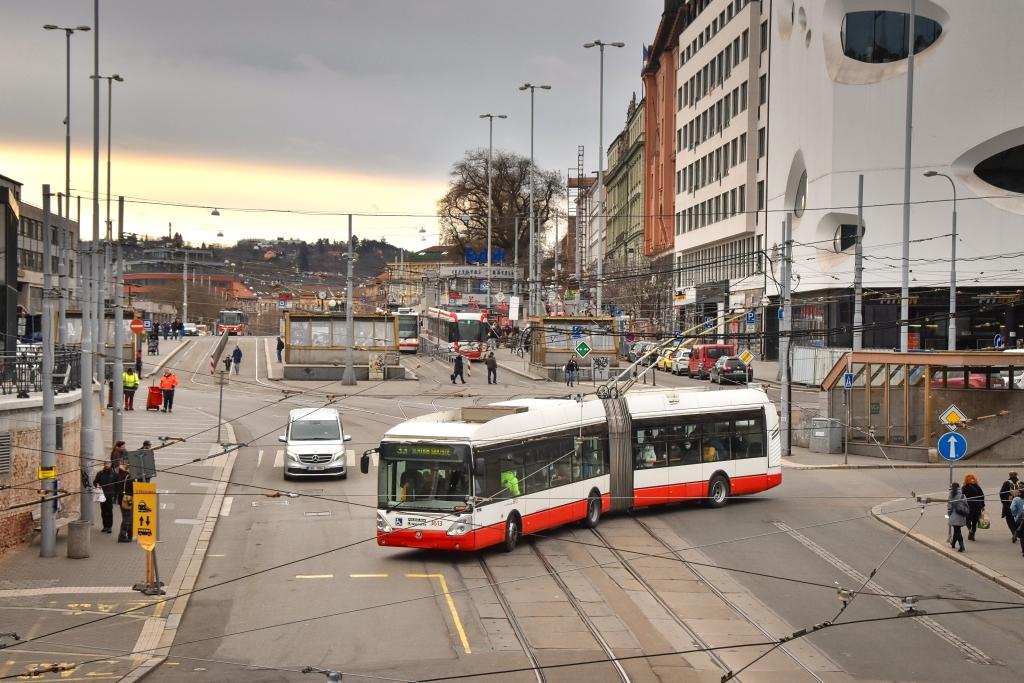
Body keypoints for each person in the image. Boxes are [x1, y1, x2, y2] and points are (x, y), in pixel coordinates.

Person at [92, 461, 119, 534]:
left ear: (110, 465)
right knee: (103, 511)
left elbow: (117, 486)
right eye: (106, 463)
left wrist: (116, 496)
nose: (107, 465)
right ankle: (105, 526)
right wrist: (97, 484)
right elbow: (95, 482)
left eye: (108, 464)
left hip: (110, 495)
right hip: (102, 495)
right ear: (104, 464)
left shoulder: (114, 474)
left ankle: (109, 527)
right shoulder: (100, 473)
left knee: (109, 511)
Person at [114, 462, 135, 543]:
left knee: (127, 518)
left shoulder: (121, 475)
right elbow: (134, 489)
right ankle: (122, 536)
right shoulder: (129, 478)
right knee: (127, 519)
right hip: (127, 500)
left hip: (122, 499)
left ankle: (129, 535)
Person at [962, 473, 985, 541]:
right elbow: (982, 496)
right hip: (977, 506)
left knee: (967, 520)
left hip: (968, 506)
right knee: (975, 522)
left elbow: (961, 496)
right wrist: (983, 505)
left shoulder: (964, 487)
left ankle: (970, 530)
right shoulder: (977, 487)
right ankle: (973, 535)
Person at [947, 482, 969, 552]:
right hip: (962, 515)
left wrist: (949, 514)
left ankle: (962, 546)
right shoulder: (963, 495)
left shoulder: (951, 495)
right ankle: (953, 544)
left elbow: (949, 506)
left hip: (954, 515)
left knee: (957, 531)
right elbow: (966, 505)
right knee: (957, 530)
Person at [999, 471, 1021, 541]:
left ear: (1009, 476)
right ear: (1016, 475)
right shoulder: (1020, 483)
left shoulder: (1006, 483)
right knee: (1019, 519)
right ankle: (1017, 531)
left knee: (1009, 519)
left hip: (1008, 504)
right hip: (1019, 505)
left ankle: (1014, 532)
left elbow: (1001, 493)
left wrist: (1003, 502)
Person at [1012, 489, 1024, 556]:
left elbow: (1012, 508)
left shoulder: (1016, 499)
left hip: (1020, 518)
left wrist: (1015, 515)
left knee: (1022, 535)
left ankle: (1023, 551)